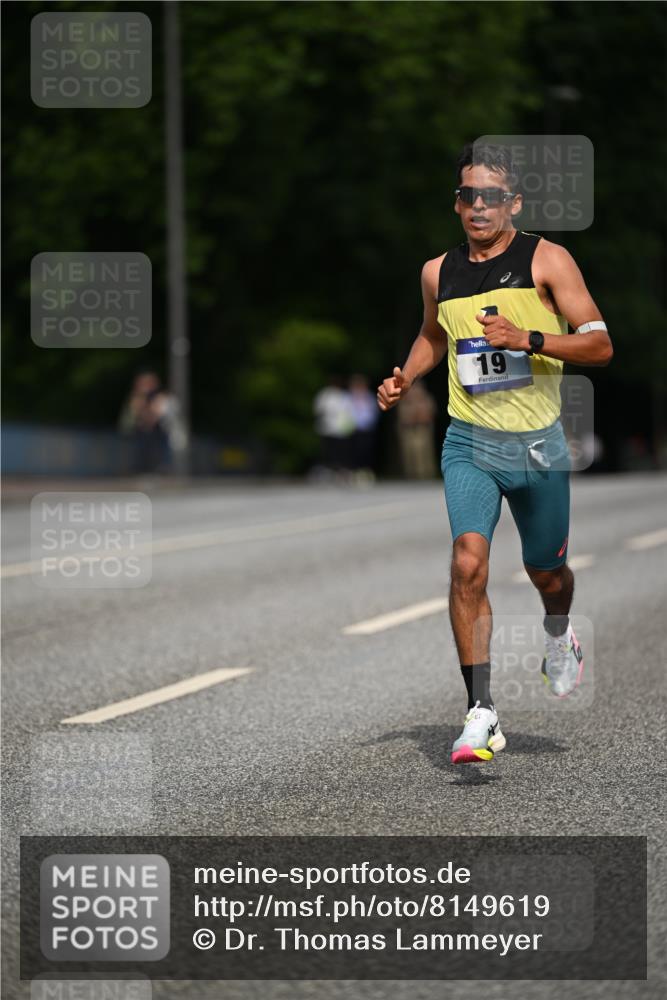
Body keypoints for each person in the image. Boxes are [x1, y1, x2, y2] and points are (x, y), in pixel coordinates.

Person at [377, 143, 613, 764]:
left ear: (513, 203)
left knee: (547, 574)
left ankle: (559, 635)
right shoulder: (438, 271)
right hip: (470, 441)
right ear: (457, 203)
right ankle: (480, 711)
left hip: (538, 447)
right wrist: (406, 376)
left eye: (490, 196)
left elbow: (600, 346)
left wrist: (528, 338)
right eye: (467, 196)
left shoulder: (548, 260)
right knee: (467, 564)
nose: (477, 207)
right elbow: (434, 335)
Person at [397, 380, 437, 479]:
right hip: (409, 429)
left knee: (424, 452)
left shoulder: (426, 400)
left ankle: (426, 474)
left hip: (422, 428)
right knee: (409, 453)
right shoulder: (405, 402)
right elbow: (402, 417)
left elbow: (430, 414)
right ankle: (412, 474)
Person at [349, 374, 379, 482]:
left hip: (367, 428)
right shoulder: (350, 398)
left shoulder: (369, 397)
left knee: (366, 451)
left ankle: (367, 470)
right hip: (354, 428)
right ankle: (355, 471)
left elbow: (374, 412)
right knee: (355, 451)